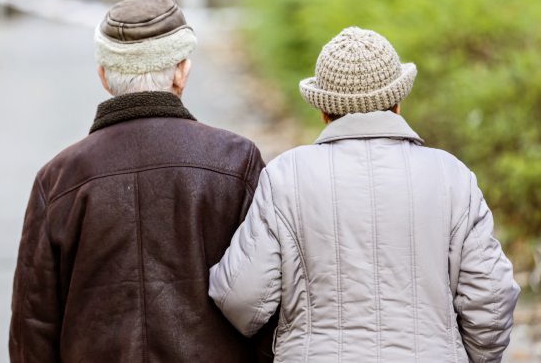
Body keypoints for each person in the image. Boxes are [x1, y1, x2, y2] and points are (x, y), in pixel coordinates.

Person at [209, 27, 520, 362]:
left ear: (324, 112)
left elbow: (241, 300)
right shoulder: (451, 176)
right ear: (398, 103)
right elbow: (491, 297)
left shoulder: (286, 177)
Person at [9, 0, 274, 362]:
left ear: (103, 76)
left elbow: (34, 323)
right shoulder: (236, 161)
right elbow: (267, 299)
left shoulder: (57, 179)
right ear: (182, 69)